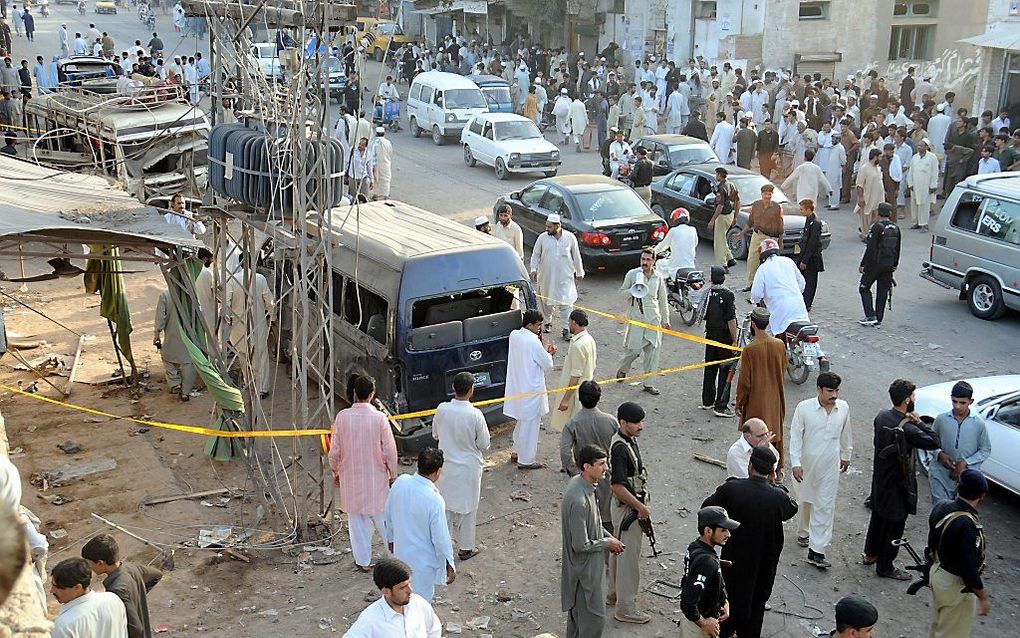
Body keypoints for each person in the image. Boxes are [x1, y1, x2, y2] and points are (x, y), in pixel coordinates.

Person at [702, 447, 797, 638]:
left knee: (729, 601)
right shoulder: (778, 497)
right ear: (771, 472)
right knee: (756, 606)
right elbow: (791, 510)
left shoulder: (731, 489)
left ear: (750, 465)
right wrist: (776, 487)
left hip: (734, 559)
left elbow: (707, 508)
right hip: (764, 563)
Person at [862, 378, 941, 580]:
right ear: (907, 400)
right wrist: (921, 422)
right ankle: (885, 566)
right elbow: (934, 441)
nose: (914, 399)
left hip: (880, 478)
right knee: (894, 525)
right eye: (913, 396)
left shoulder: (882, 417)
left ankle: (870, 554)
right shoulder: (909, 428)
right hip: (898, 484)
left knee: (878, 517)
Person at [329, 375, 399, 572]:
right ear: (372, 394)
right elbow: (390, 451)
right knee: (384, 520)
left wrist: (335, 471)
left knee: (357, 521)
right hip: (376, 478)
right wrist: (392, 473)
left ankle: (362, 561)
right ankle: (394, 557)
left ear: (355, 394)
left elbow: (334, 451)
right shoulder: (379, 418)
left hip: (350, 478)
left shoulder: (342, 417)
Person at [560, 444, 626, 638]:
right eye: (601, 464)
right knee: (593, 621)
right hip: (584, 572)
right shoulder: (578, 499)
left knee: (579, 621)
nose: (606, 468)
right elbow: (580, 545)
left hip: (590, 568)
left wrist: (609, 536)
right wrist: (608, 543)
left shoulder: (585, 486)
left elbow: (594, 523)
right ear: (587, 467)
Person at [788, 372, 852, 570]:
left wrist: (846, 455)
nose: (834, 395)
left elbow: (846, 433)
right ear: (819, 390)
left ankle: (817, 551)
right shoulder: (804, 408)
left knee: (824, 506)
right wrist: (796, 463)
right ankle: (804, 532)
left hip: (830, 467)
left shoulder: (843, 408)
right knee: (806, 500)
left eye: (836, 390)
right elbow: (796, 437)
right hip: (806, 467)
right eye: (830, 391)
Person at [384, 449, 456, 603]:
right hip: (422, 564)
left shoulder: (400, 482)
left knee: (402, 602)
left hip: (400, 556)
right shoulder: (434, 499)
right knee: (421, 605)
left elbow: (388, 515)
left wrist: (390, 540)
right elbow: (441, 538)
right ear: (438, 472)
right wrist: (449, 563)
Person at [926, 469, 990, 638]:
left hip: (938, 573)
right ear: (981, 495)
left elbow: (931, 542)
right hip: (955, 585)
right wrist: (982, 595)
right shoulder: (967, 524)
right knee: (952, 633)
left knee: (939, 626)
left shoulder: (942, 506)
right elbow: (968, 568)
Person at [434, 372, 490, 561]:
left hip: (445, 467)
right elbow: (484, 444)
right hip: (468, 468)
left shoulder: (442, 409)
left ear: (453, 388)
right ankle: (466, 547)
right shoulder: (475, 414)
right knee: (468, 509)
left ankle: (444, 549)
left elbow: (435, 435)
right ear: (471, 390)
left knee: (446, 509)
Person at [607, 401, 651, 624]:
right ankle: (626, 607)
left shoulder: (626, 441)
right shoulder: (620, 448)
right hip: (627, 510)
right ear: (623, 423)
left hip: (626, 507)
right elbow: (617, 486)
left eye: (641, 421)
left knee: (618, 550)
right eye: (636, 422)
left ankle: (613, 594)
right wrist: (639, 507)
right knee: (628, 559)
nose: (641, 426)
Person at [559, 381, 618, 531]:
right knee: (608, 515)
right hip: (607, 476)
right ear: (599, 398)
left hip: (584, 477)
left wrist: (575, 472)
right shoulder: (611, 421)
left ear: (579, 398)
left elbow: (565, 452)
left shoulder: (572, 424)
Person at [504, 309, 556, 469]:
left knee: (522, 421)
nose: (540, 328)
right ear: (530, 324)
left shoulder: (514, 335)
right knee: (530, 426)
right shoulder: (533, 342)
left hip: (518, 387)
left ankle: (516, 451)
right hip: (531, 389)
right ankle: (526, 460)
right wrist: (549, 353)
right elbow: (548, 365)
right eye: (538, 325)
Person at [80, 535, 162, 638]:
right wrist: (137, 595)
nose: (89, 568)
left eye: (89, 564)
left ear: (100, 563)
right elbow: (157, 575)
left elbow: (135, 629)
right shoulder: (132, 568)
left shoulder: (117, 590)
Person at [735, 308, 787, 466]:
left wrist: (739, 403)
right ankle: (778, 469)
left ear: (753, 324)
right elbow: (783, 368)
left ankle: (758, 468)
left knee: (756, 436)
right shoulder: (779, 344)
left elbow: (745, 382)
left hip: (757, 401)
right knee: (774, 433)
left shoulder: (750, 349)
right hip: (776, 398)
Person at [342, 558, 442, 637]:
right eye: (402, 587)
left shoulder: (418, 603)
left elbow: (434, 630)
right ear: (386, 591)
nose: (410, 590)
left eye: (409, 583)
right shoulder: (370, 620)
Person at [678, 506, 738, 638]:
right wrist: (704, 623)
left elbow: (712, 579)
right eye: (723, 530)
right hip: (697, 628)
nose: (728, 534)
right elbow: (687, 603)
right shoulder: (706, 562)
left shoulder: (697, 546)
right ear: (708, 531)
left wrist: (724, 602)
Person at [616, 249, 669, 396]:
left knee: (652, 352)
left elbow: (662, 299)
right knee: (633, 350)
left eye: (648, 260)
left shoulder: (658, 277)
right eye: (643, 259)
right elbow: (621, 292)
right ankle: (623, 369)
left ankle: (649, 383)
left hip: (653, 319)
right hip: (637, 318)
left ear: (654, 261)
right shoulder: (633, 274)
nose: (645, 262)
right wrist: (632, 291)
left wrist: (666, 320)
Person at [929, 381, 991, 503]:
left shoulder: (978, 424)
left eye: (962, 403)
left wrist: (965, 463)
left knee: (960, 513)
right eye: (954, 401)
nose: (957, 406)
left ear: (971, 402)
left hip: (966, 478)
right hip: (940, 473)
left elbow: (985, 450)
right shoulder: (941, 419)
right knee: (940, 508)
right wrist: (939, 454)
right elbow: (930, 442)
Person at [530, 214, 584, 340]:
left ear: (558, 226)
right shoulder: (542, 238)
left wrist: (580, 272)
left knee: (566, 304)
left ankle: (566, 329)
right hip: (546, 278)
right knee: (546, 303)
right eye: (546, 226)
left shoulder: (570, 238)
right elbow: (536, 254)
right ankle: (547, 321)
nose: (547, 229)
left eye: (549, 227)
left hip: (565, 278)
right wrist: (533, 269)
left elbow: (576, 256)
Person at [225, 264, 275, 395]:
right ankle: (262, 389)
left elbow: (226, 303)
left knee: (243, 355)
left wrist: (228, 319)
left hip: (238, 325)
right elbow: (270, 302)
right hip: (258, 324)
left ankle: (248, 382)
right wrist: (273, 317)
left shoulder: (232, 279)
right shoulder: (260, 279)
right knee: (261, 356)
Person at [50, 558, 128, 638]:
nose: (51, 591)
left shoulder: (64, 625)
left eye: (57, 587)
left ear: (77, 588)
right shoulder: (113, 599)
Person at [699, 265, 738, 417]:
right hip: (724, 338)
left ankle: (707, 400)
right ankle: (720, 405)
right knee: (725, 369)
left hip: (710, 336)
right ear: (724, 278)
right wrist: (734, 341)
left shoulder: (707, 294)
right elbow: (731, 320)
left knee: (710, 368)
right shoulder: (728, 295)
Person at [751, 238, 809, 336]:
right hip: (800, 309)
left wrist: (757, 300)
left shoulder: (763, 268)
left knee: (767, 336)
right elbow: (802, 284)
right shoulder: (788, 261)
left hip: (779, 312)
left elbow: (756, 294)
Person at [551, 310, 597, 433]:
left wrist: (565, 399)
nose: (569, 325)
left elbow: (576, 376)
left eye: (570, 322)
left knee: (573, 430)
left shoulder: (578, 345)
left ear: (574, 323)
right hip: (585, 389)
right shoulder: (588, 339)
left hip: (576, 394)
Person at [857, 202, 900, 327]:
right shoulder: (896, 228)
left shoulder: (876, 227)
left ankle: (870, 315)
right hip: (889, 264)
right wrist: (895, 264)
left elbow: (870, 248)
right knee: (882, 291)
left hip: (875, 264)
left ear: (877, 213)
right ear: (890, 214)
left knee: (864, 288)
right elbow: (897, 248)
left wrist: (863, 264)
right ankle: (879, 318)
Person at [739, 184, 785, 290]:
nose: (767, 196)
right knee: (752, 259)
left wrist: (780, 241)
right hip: (757, 235)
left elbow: (780, 224)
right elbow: (750, 222)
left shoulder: (777, 207)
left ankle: (769, 285)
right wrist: (741, 234)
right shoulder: (756, 205)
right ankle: (751, 284)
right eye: (765, 194)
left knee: (770, 261)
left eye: (770, 194)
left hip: (770, 237)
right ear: (761, 194)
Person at [154, 289, 195, 401]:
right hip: (190, 337)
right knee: (189, 363)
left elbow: (160, 317)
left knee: (168, 358)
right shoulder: (192, 293)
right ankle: (185, 392)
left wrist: (157, 334)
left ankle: (175, 383)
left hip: (172, 335)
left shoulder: (165, 295)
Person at [654, 208, 698, 280]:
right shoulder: (693, 230)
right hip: (691, 266)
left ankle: (662, 285)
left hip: (675, 267)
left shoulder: (673, 231)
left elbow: (663, 246)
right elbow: (695, 244)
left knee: (659, 263)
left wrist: (653, 251)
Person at [796, 199, 824, 311]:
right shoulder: (808, 220)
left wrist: (805, 260)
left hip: (812, 258)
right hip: (804, 255)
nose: (800, 211)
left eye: (802, 209)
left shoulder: (815, 223)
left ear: (808, 209)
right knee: (802, 278)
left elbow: (812, 243)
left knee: (810, 281)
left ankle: (807, 303)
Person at [708, 167, 738, 269]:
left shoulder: (721, 188)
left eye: (716, 174)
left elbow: (720, 206)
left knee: (719, 242)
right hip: (730, 214)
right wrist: (735, 216)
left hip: (722, 216)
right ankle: (730, 259)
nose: (716, 176)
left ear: (720, 175)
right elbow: (737, 201)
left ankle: (722, 264)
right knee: (722, 238)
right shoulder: (731, 185)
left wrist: (712, 220)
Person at [906, 138, 939, 230]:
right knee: (914, 204)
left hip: (925, 185)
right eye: (918, 146)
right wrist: (910, 183)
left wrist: (933, 185)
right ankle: (915, 222)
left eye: (921, 146)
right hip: (915, 185)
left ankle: (923, 224)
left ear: (926, 147)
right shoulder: (915, 157)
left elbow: (935, 172)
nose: (919, 147)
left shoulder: (932, 157)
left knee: (924, 204)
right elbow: (911, 171)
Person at [369, 127, 392, 200]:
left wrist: (371, 165)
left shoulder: (373, 142)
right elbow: (390, 152)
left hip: (375, 164)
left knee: (375, 179)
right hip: (385, 163)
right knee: (386, 179)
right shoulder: (387, 142)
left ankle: (375, 194)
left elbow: (371, 154)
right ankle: (385, 195)